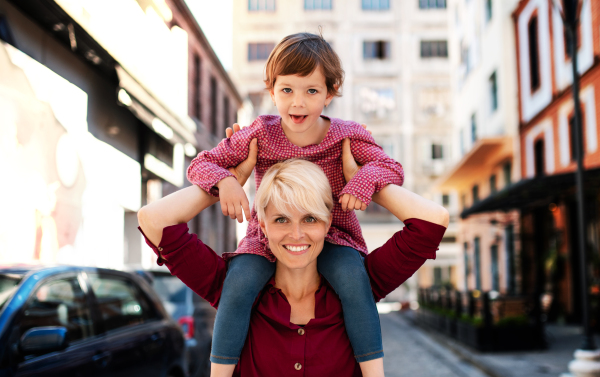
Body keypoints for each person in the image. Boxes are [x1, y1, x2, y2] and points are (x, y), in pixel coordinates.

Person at [186, 32, 404, 376]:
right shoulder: (259, 132)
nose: (297, 103)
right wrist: (225, 180)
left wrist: (362, 179)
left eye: (311, 91)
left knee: (352, 278)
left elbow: (392, 168)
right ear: (271, 90)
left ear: (330, 93)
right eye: (287, 90)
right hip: (267, 236)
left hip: (334, 236)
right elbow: (200, 163)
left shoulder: (348, 135)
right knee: (239, 282)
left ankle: (374, 372)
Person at [137, 141, 449, 377]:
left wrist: (364, 180)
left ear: (328, 224)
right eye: (281, 220)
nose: (296, 234)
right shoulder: (233, 288)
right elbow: (153, 219)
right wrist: (228, 180)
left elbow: (433, 221)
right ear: (263, 226)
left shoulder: (361, 284)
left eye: (310, 219)